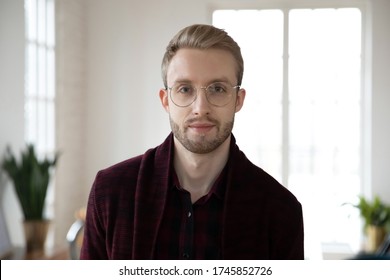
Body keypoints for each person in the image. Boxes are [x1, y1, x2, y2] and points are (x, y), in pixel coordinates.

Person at [80, 24, 304, 260]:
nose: (200, 108)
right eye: (185, 89)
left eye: (218, 88)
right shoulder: (110, 192)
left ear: (238, 100)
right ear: (166, 100)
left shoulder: (281, 211)